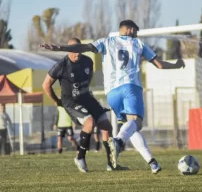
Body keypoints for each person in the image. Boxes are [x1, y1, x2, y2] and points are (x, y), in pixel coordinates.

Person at [40, 20, 185, 174]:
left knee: (124, 126)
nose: (136, 34)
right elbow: (160, 65)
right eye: (135, 31)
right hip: (130, 87)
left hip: (111, 93)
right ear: (129, 30)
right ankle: (117, 142)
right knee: (136, 123)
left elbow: (85, 47)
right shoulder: (138, 43)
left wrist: (59, 47)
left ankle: (150, 162)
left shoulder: (106, 41)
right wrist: (176, 65)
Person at [42, 38, 115, 173]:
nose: (78, 53)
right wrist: (56, 101)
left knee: (106, 125)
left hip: (87, 97)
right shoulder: (61, 65)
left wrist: (86, 93)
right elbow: (45, 85)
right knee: (89, 122)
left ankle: (112, 164)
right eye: (74, 51)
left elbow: (88, 78)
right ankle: (80, 157)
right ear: (68, 50)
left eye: (79, 50)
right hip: (71, 101)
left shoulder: (88, 61)